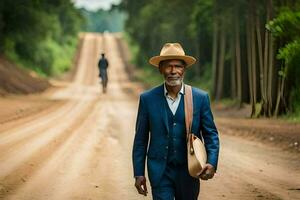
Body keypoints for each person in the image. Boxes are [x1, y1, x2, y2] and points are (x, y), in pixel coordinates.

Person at [132, 43, 220, 200]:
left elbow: (211, 134)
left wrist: (212, 162)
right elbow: (140, 140)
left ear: (184, 69)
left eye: (178, 66)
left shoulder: (200, 98)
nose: (173, 71)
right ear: (160, 69)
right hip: (160, 172)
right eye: (168, 66)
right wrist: (138, 173)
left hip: (190, 171)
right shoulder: (148, 99)